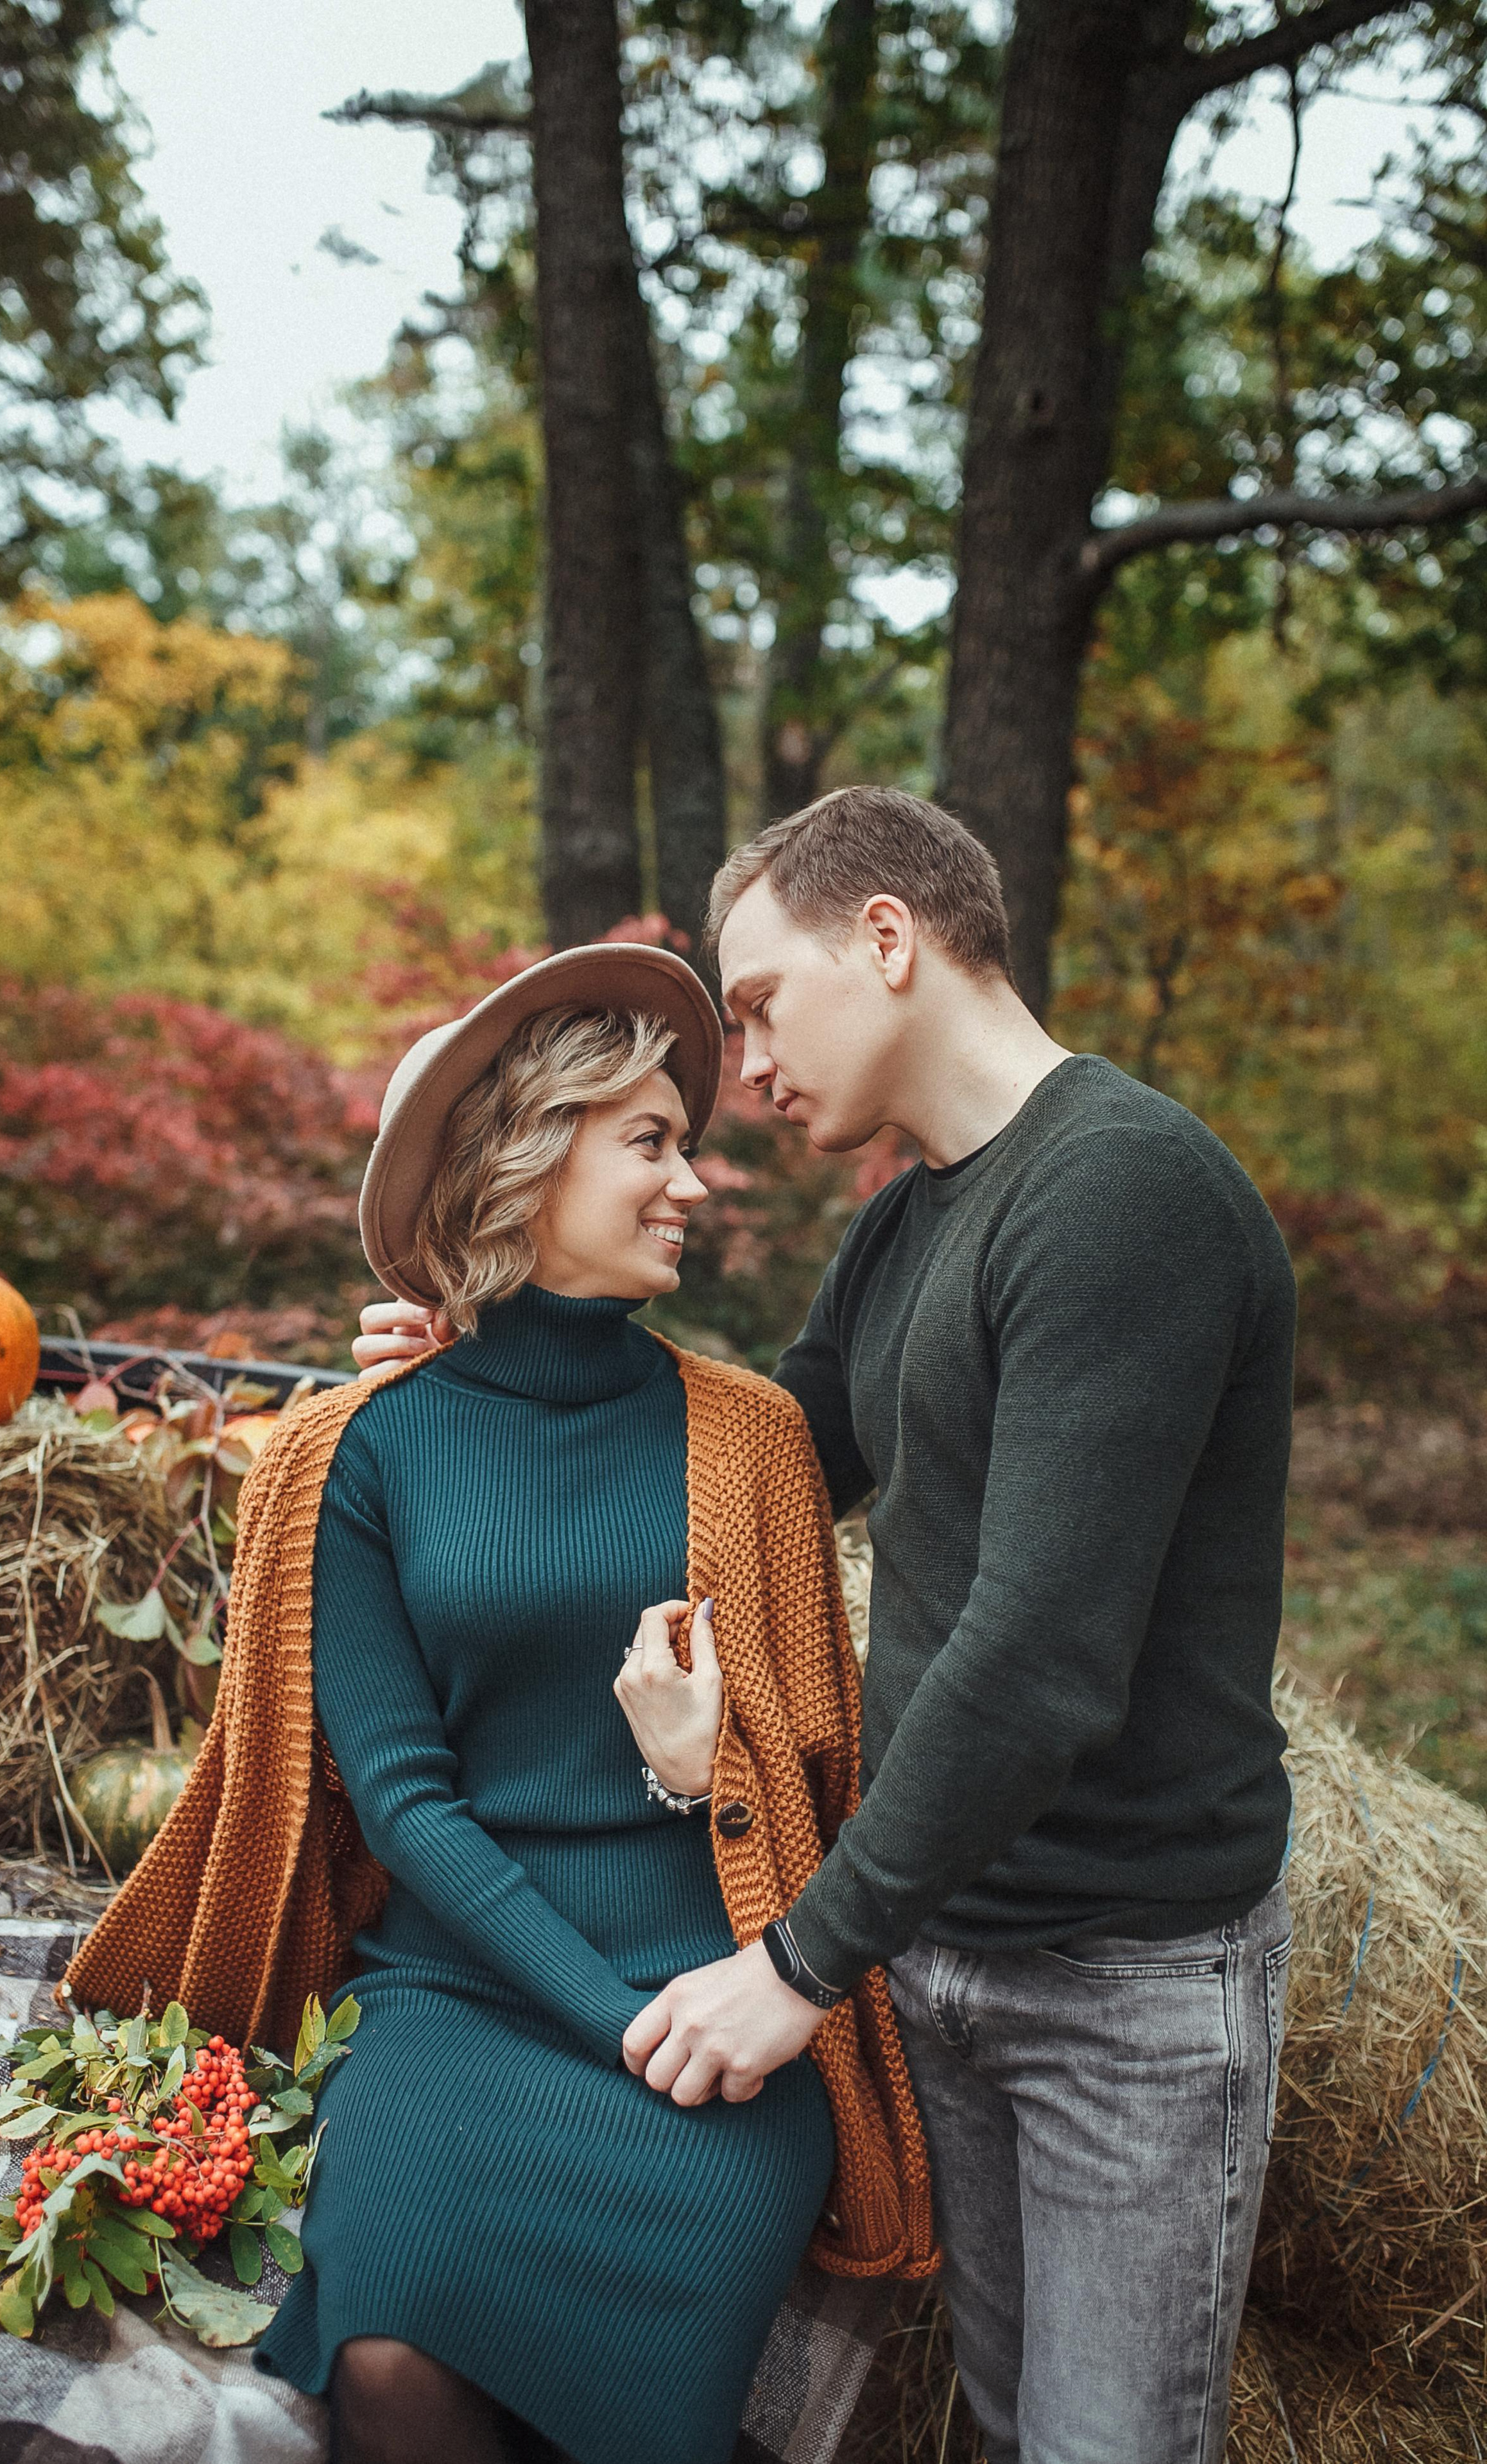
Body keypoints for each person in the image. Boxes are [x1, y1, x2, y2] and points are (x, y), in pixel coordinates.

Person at [356, 790, 1298, 2464]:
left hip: (1117, 1984)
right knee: (1004, 2427)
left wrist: (799, 1963)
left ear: (888, 937)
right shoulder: (913, 1220)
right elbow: (756, 1452)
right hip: (940, 1940)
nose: (752, 1063)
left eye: (763, 1002)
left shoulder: (1120, 1193)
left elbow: (1041, 1659)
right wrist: (490, 1356)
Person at [66, 941, 931, 2464]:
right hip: (458, 1993)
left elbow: (813, 1773)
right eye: (651, 1144)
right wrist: (603, 2022)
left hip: (717, 2001)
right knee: (392, 2364)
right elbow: (400, 1798)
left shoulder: (751, 1441)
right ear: (528, 1163)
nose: (693, 1186)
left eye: (690, 1146)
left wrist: (690, 1776)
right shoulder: (355, 1454)